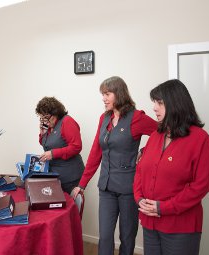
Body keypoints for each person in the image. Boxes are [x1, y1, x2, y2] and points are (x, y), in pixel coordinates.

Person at [72, 76, 157, 255]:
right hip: (106, 187)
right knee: (105, 236)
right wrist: (82, 184)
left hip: (129, 189)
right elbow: (96, 152)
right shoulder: (104, 118)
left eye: (107, 94)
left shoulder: (137, 118)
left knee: (127, 236)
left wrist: (145, 150)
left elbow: (161, 132)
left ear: (119, 94)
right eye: (103, 94)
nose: (104, 98)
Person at [133, 79, 209, 255]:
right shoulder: (155, 135)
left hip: (180, 227)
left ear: (176, 104)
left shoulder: (200, 139)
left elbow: (201, 185)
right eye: (154, 102)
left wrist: (164, 207)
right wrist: (139, 199)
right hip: (150, 223)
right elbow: (140, 171)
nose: (154, 108)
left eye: (160, 103)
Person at [36, 96, 85, 194]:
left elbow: (76, 147)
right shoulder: (49, 126)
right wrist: (42, 134)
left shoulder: (67, 121)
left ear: (55, 114)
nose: (44, 121)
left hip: (70, 176)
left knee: (67, 206)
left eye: (46, 117)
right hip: (56, 175)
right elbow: (46, 145)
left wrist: (53, 154)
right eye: (41, 118)